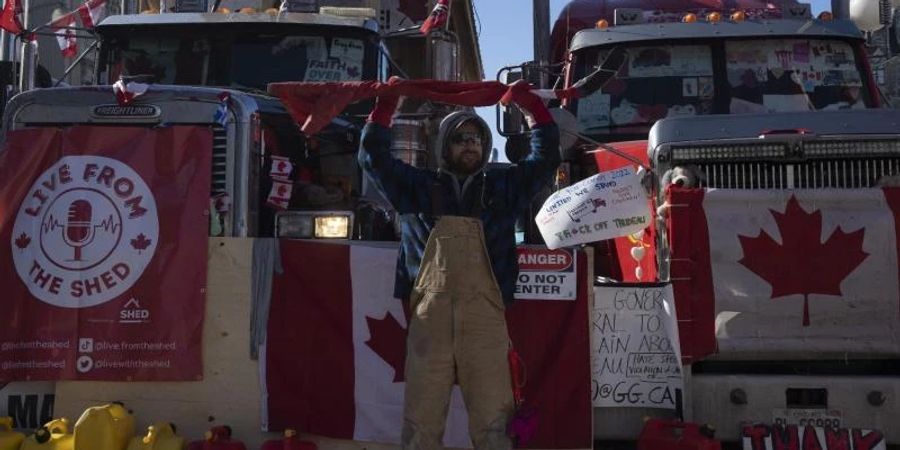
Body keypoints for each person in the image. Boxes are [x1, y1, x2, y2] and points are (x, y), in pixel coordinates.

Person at [358, 81, 560, 450]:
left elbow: (545, 160)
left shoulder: (503, 188)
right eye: (460, 138)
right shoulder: (416, 187)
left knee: (494, 424)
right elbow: (373, 158)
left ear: (485, 147)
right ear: (443, 147)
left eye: (476, 138)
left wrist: (535, 111)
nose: (469, 144)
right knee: (421, 425)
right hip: (428, 322)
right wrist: (384, 108)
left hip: (485, 323)